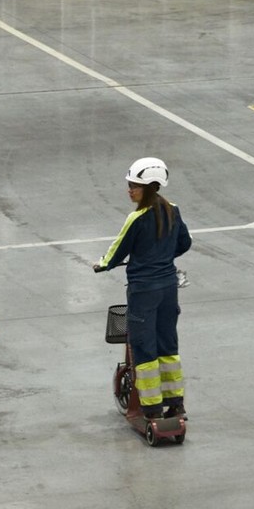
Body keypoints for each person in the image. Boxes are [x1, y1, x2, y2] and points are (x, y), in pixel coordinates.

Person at [94, 158, 192, 422]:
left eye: (134, 186)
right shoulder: (173, 209)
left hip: (143, 291)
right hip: (169, 288)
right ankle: (175, 403)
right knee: (167, 344)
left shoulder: (136, 217)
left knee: (144, 346)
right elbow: (185, 242)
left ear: (149, 187)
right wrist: (163, 256)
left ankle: (151, 408)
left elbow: (118, 249)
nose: (130, 190)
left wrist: (102, 265)